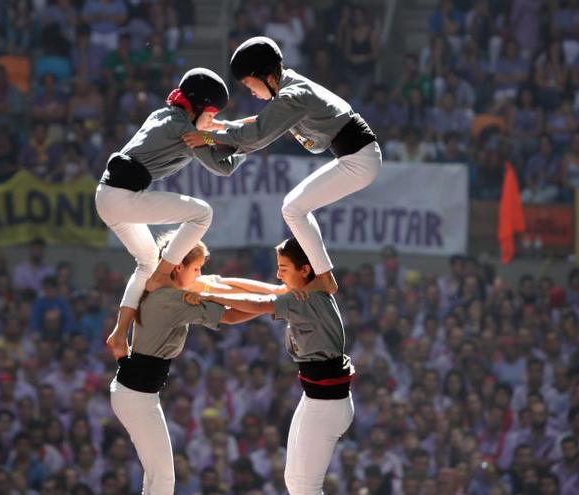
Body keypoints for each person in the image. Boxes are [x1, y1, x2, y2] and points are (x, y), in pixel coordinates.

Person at [183, 36, 381, 298]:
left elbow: (256, 136)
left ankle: (324, 277)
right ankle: (323, 275)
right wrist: (220, 127)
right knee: (294, 207)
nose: (250, 91)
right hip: (357, 156)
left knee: (293, 208)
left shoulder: (291, 95)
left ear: (263, 75)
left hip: (359, 159)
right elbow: (262, 121)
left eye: (248, 84)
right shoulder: (290, 88)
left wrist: (207, 137)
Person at [95, 68, 247, 359]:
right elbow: (223, 166)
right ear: (201, 107)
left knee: (146, 261)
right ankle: (165, 274)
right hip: (123, 197)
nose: (213, 119)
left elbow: (214, 133)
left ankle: (118, 334)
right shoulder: (185, 130)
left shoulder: (164, 115)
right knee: (202, 214)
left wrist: (231, 130)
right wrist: (249, 144)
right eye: (211, 113)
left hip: (107, 196)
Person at [184, 238, 354, 494]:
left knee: (306, 488)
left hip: (327, 405)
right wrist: (216, 282)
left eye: (284, 268)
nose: (278, 274)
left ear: (305, 270)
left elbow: (260, 303)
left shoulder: (306, 299)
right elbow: (266, 290)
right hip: (316, 400)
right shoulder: (300, 292)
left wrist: (207, 294)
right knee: (295, 482)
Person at [110, 232, 257, 494]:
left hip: (135, 391)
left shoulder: (172, 291)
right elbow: (232, 316)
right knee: (164, 476)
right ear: (179, 267)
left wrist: (276, 294)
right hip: (136, 394)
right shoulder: (172, 299)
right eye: (197, 268)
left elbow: (222, 284)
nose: (200, 274)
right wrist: (274, 306)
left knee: (156, 474)